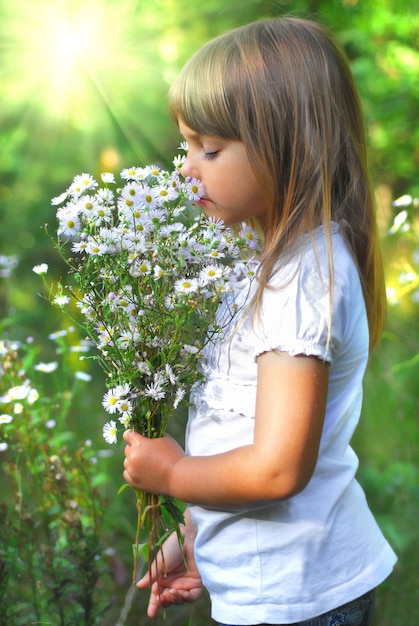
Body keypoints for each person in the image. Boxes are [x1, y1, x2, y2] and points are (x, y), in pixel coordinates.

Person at [122, 16, 397, 626]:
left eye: (210, 149)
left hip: (303, 598)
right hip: (281, 585)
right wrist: (196, 533)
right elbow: (240, 432)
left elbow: (276, 468)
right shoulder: (269, 266)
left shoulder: (303, 280)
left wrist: (172, 473)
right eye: (188, 145)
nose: (187, 168)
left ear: (285, 146)